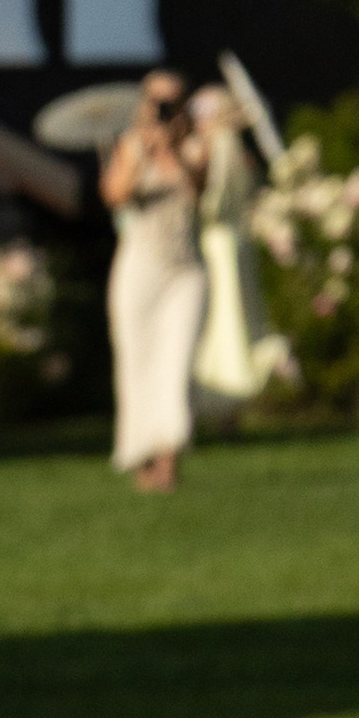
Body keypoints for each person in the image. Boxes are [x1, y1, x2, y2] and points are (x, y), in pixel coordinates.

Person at [100, 69, 208, 492]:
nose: (163, 110)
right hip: (140, 269)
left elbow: (201, 190)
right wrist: (143, 151)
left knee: (175, 363)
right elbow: (114, 196)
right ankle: (142, 456)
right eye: (156, 101)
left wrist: (175, 150)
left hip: (185, 272)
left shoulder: (197, 147)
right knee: (137, 362)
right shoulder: (130, 147)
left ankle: (169, 458)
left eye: (172, 102)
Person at [189, 80, 280, 417]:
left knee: (224, 318)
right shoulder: (228, 145)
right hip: (232, 242)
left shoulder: (221, 145)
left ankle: (224, 395)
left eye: (202, 111)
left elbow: (217, 201)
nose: (196, 118)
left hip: (218, 244)